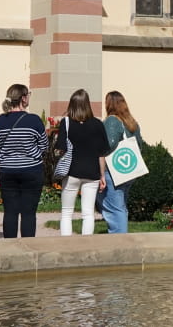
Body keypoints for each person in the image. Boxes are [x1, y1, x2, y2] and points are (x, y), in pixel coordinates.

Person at [0, 83, 48, 238]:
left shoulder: (1, 120)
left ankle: (10, 247)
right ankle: (28, 246)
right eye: (28, 94)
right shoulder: (34, 120)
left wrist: (7, 156)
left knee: (10, 212)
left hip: (7, 171)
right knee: (29, 213)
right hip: (32, 170)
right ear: (23, 98)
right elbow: (44, 146)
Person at [57, 89, 109, 236]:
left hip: (71, 171)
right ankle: (86, 245)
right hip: (92, 173)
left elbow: (61, 149)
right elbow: (101, 154)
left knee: (67, 213)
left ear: (71, 104)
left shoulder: (66, 123)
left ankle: (66, 246)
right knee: (88, 214)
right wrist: (102, 175)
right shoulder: (97, 124)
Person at [97, 90, 142, 234]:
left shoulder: (112, 120)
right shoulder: (131, 122)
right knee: (120, 207)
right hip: (128, 171)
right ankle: (122, 237)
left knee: (115, 209)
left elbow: (107, 145)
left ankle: (119, 242)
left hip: (113, 172)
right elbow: (139, 145)